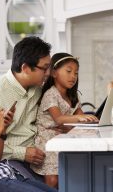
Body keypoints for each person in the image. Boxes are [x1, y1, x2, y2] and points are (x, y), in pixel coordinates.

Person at [0, 36, 51, 182]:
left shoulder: (37, 88)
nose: (48, 73)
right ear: (25, 68)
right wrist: (22, 153)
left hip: (36, 159)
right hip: (8, 163)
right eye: (44, 68)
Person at [31, 53, 98, 188]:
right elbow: (59, 119)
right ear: (54, 73)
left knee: (69, 177)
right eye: (68, 71)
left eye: (76, 73)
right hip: (47, 141)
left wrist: (94, 120)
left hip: (62, 139)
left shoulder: (72, 96)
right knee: (53, 180)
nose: (73, 76)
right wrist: (78, 118)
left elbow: (82, 119)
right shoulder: (50, 94)